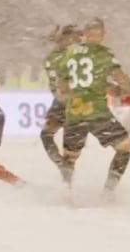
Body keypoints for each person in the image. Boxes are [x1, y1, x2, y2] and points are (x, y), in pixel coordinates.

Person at [55, 18, 130, 199]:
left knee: (70, 157)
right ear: (103, 35)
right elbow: (120, 77)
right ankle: (108, 192)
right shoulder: (103, 54)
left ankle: (65, 192)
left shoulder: (69, 53)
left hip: (74, 112)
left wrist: (81, 92)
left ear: (84, 34)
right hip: (97, 112)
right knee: (125, 147)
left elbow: (61, 86)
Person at [40, 24, 81, 172]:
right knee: (46, 135)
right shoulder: (56, 56)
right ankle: (61, 166)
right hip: (61, 102)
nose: (73, 41)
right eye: (70, 38)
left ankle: (67, 180)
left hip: (76, 104)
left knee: (69, 148)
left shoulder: (76, 54)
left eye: (75, 38)